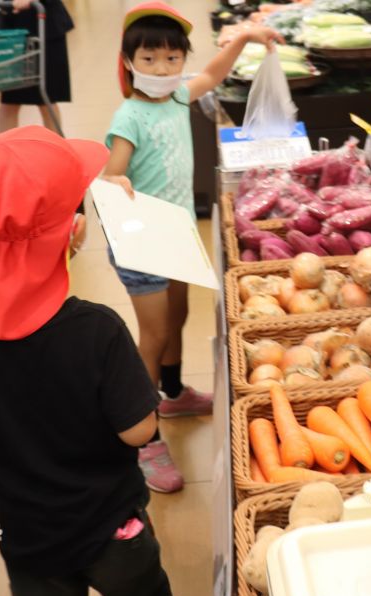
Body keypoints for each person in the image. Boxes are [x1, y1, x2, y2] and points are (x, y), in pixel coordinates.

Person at [0, 125, 177, 596]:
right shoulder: (98, 330)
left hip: (29, 537)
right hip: (114, 528)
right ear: (73, 234)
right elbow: (138, 433)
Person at [103, 2, 282, 493]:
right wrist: (115, 184)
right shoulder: (130, 116)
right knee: (153, 334)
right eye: (149, 59)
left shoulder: (180, 97)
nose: (162, 69)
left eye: (170, 58)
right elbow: (112, 170)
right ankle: (143, 435)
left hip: (176, 232)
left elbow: (213, 73)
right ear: (128, 62)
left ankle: (174, 391)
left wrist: (243, 40)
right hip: (141, 237)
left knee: (178, 316)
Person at [0, 0, 74, 133]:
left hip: (44, 26)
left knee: (46, 98)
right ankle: (5, 150)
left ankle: (55, 149)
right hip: (13, 32)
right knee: (10, 100)